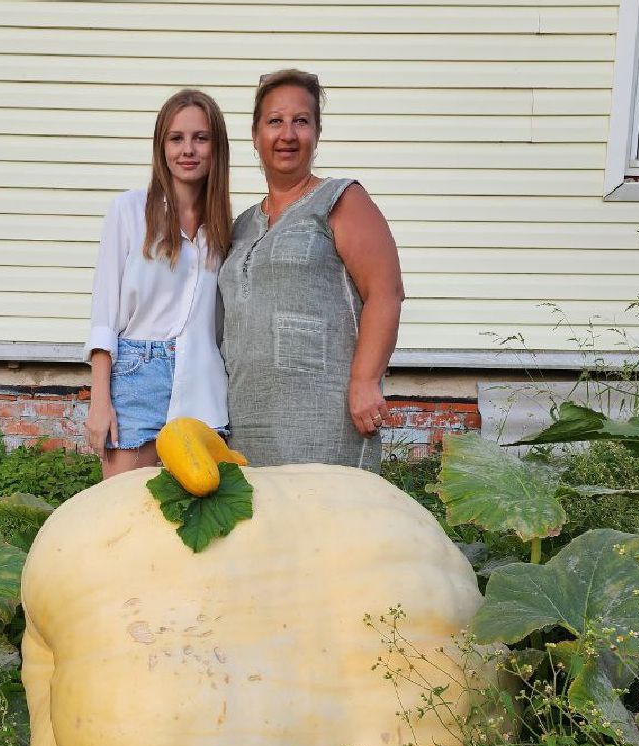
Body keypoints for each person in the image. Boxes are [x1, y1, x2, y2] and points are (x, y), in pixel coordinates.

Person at [218, 69, 405, 473]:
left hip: (326, 421)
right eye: (275, 121)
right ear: (255, 136)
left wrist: (365, 381)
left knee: (331, 530)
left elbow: (385, 293)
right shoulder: (243, 224)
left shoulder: (340, 199)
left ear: (316, 134)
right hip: (248, 423)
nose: (287, 134)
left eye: (301, 121)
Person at [84, 89, 233, 479]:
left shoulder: (226, 230)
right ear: (161, 146)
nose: (188, 149)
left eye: (201, 138)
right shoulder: (129, 211)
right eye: (176, 138)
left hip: (202, 380)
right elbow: (104, 315)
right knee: (123, 512)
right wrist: (100, 401)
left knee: (193, 518)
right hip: (137, 375)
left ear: (216, 147)